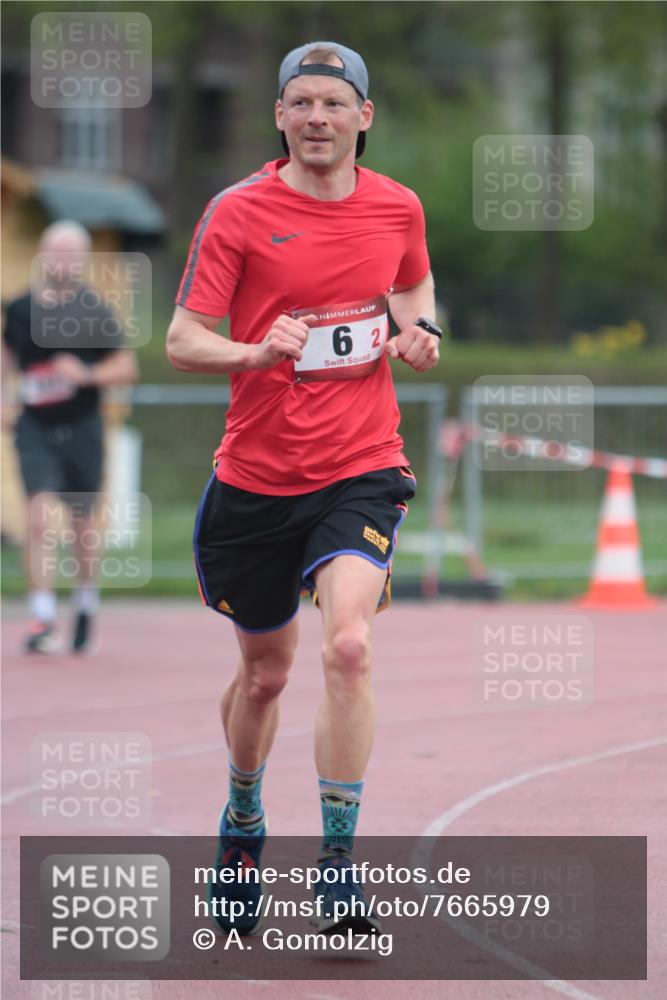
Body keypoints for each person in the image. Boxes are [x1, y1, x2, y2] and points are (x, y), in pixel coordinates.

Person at [167, 41, 441, 934]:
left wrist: (418, 329)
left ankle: (336, 866)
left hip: (361, 463)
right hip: (255, 477)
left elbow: (411, 283)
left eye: (333, 103)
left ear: (363, 116)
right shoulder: (240, 211)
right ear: (279, 119)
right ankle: (243, 821)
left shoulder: (397, 205)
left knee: (350, 647)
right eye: (300, 104)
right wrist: (253, 350)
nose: (316, 118)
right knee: (265, 677)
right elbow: (180, 339)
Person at [2, 220, 138, 654]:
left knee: (82, 528)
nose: (61, 260)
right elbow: (5, 359)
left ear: (81, 261)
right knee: (39, 517)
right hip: (35, 426)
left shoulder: (94, 310)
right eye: (54, 251)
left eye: (69, 253)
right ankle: (41, 616)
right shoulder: (20, 308)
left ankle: (84, 601)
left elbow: (125, 368)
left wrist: (85, 374)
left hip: (82, 428)